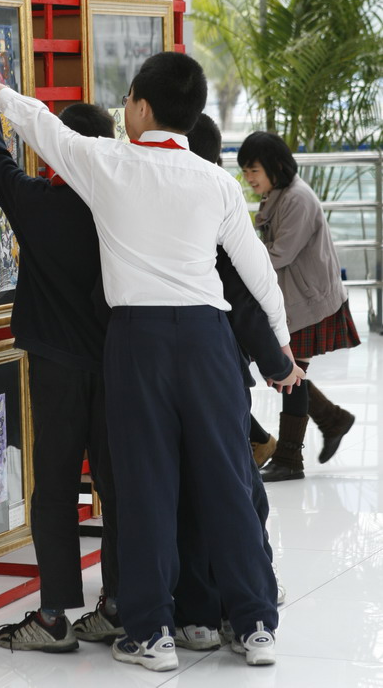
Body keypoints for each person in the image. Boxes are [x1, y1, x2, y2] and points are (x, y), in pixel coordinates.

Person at [0, 51, 299, 672]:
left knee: (145, 488)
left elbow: (42, 127)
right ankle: (255, 626)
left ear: (141, 106)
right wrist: (281, 349)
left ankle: (152, 634)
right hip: (207, 340)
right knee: (227, 482)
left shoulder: (108, 163)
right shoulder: (216, 183)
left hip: (138, 341)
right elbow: (258, 275)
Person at [0, 97, 119, 653]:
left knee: (55, 489)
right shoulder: (121, 207)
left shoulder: (38, 204)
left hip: (56, 368)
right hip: (117, 364)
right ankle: (118, 605)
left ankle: (54, 616)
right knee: (118, 487)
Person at [173, 114, 300, 651]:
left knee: (197, 494)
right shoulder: (214, 204)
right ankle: (246, 599)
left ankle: (210, 609)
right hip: (219, 371)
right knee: (237, 490)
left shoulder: (167, 206)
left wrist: (276, 359)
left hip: (169, 370)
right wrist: (278, 361)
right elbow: (250, 299)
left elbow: (246, 300)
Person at [238, 131, 359, 482]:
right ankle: (332, 419)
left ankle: (290, 458)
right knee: (290, 372)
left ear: (275, 166)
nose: (249, 178)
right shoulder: (279, 194)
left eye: (253, 170)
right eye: (245, 171)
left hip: (309, 300)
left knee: (289, 373)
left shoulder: (297, 199)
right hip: (295, 298)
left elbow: (280, 254)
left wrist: (238, 257)